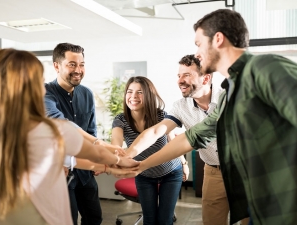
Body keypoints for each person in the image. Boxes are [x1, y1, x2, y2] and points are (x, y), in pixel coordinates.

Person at [123, 9, 297, 225]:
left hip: (284, 201)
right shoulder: (230, 94)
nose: (197, 53)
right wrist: (140, 164)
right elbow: (190, 138)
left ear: (218, 39)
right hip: (261, 201)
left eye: (198, 44)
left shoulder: (265, 68)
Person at [0, 48, 138, 225]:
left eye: (81, 64)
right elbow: (93, 152)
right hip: (36, 213)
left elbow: (72, 158)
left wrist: (107, 167)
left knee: (93, 217)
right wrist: (118, 160)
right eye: (39, 80)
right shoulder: (49, 129)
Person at [124, 55, 236, 225]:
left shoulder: (228, 99)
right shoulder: (180, 107)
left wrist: (141, 165)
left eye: (187, 75)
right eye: (179, 76)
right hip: (214, 172)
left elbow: (187, 141)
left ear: (206, 78)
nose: (180, 81)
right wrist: (127, 155)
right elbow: (156, 131)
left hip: (244, 170)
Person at [44, 42, 118, 225]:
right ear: (56, 66)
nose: (78, 70)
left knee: (94, 218)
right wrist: (100, 146)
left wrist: (96, 159)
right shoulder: (44, 93)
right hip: (60, 172)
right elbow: (62, 124)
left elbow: (91, 129)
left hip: (84, 171)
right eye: (72, 64)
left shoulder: (86, 94)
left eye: (81, 64)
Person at [111, 76, 187, 225]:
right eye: (130, 91)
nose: (133, 96)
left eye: (140, 92)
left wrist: (184, 163)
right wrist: (114, 155)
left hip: (170, 173)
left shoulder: (161, 116)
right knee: (150, 220)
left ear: (149, 95)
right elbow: (116, 142)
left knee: (165, 220)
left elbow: (173, 141)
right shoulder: (121, 120)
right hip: (144, 174)